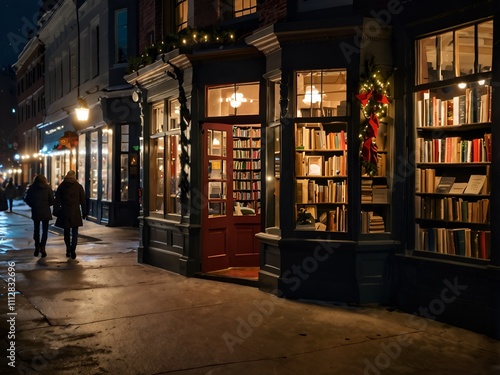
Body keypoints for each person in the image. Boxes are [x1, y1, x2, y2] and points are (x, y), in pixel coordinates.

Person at [54, 170, 87, 259]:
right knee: (75, 232)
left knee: (66, 232)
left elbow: (57, 199)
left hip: (65, 211)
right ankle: (73, 249)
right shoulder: (78, 186)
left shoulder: (62, 186)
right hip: (75, 212)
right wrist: (84, 212)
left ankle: (68, 248)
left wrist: (56, 211)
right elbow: (83, 200)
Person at [24, 175, 54, 258]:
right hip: (45, 211)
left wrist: (32, 205)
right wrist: (47, 204)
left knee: (36, 229)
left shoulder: (32, 188)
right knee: (45, 230)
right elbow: (51, 201)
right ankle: (43, 247)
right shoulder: (48, 188)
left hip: (36, 210)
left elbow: (26, 199)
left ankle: (37, 245)